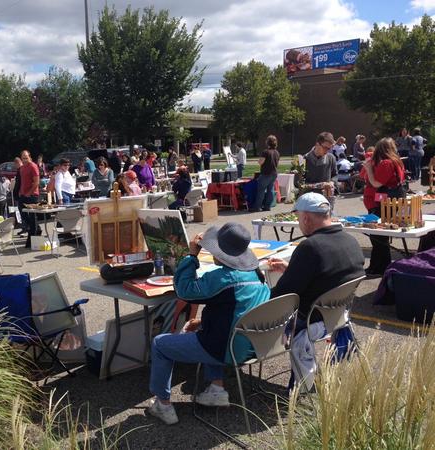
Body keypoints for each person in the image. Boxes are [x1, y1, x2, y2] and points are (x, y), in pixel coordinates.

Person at [147, 223, 270, 425]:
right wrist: (203, 321)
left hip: (227, 349)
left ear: (221, 255)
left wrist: (191, 256)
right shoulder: (256, 273)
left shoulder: (223, 277)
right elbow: (236, 310)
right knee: (208, 327)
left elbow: (184, 290)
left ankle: (163, 403)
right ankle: (216, 389)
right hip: (255, 344)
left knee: (160, 344)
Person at [269, 192, 364, 325]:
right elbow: (330, 275)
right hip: (338, 313)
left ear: (306, 218)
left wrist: (258, 293)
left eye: (298, 218)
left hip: (309, 318)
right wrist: (292, 270)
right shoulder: (351, 240)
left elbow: (283, 293)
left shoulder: (310, 247)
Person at [361, 138, 406, 276]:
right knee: (381, 235)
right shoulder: (397, 161)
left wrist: (368, 169)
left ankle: (379, 267)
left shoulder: (386, 163)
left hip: (385, 200)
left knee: (377, 234)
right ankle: (381, 265)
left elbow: (376, 183)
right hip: (395, 198)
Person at [251, 135, 280, 212]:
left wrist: (259, 161)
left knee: (261, 190)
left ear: (268, 142)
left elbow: (261, 162)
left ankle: (257, 207)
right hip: (274, 173)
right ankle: (267, 206)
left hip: (266, 173)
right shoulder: (277, 152)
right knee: (270, 190)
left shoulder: (265, 152)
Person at [18, 150, 40, 233]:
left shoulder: (33, 166)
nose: (24, 160)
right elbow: (23, 181)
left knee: (32, 216)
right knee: (22, 212)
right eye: (23, 158)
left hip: (32, 195)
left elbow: (36, 182)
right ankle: (34, 229)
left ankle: (34, 231)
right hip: (23, 194)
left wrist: (29, 193)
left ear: (30, 157)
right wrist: (21, 191)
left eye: (26, 158)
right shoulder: (22, 167)